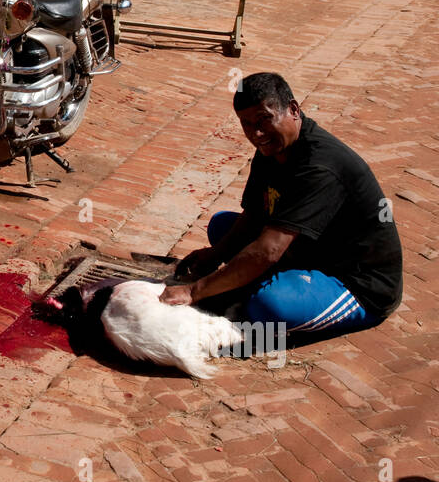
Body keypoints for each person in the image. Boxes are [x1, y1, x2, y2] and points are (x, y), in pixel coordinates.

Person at [164, 73, 402, 344]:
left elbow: (269, 249)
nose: (256, 133)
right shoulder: (271, 148)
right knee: (222, 226)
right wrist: (216, 255)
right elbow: (254, 214)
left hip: (357, 284)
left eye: (264, 119)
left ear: (293, 109)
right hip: (312, 249)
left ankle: (281, 289)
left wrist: (195, 292)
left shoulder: (321, 167)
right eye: (247, 124)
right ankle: (264, 279)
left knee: (267, 306)